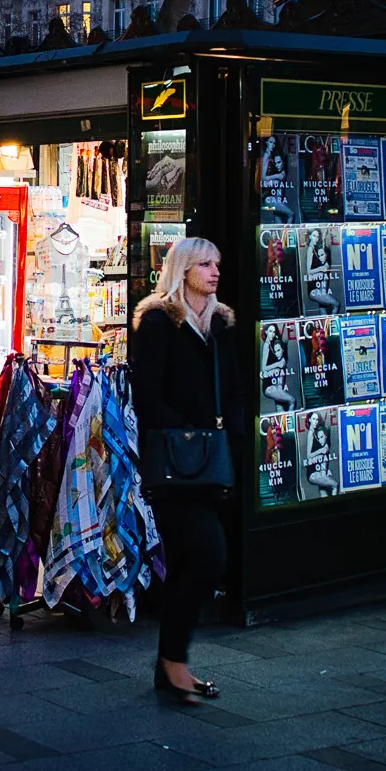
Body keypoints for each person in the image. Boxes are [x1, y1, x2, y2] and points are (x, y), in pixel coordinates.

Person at [130, 237, 241, 708]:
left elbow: (232, 389)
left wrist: (228, 434)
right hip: (175, 463)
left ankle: (170, 664)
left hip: (213, 462)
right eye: (204, 264)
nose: (215, 271)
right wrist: (187, 432)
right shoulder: (158, 322)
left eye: (217, 263)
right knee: (208, 557)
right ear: (182, 269)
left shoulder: (220, 323)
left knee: (186, 563)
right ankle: (174, 662)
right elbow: (146, 396)